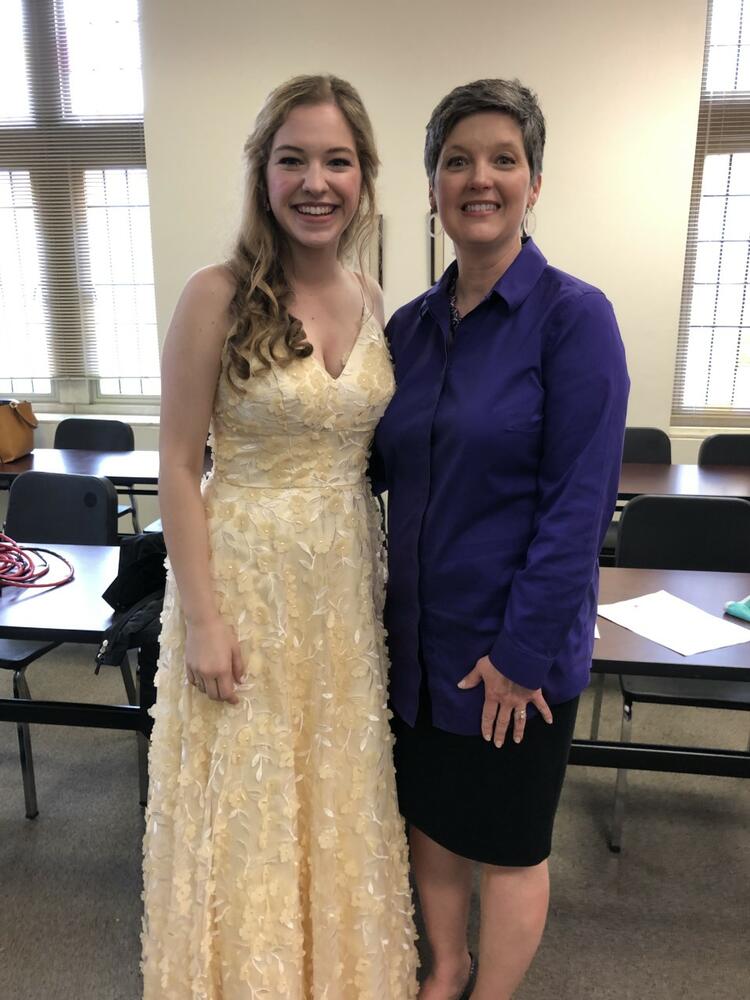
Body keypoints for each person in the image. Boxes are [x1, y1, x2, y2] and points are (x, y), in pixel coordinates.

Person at [141, 74, 418, 1000]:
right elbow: (179, 466)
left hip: (341, 592)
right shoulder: (215, 295)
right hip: (244, 584)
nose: (315, 181)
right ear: (263, 174)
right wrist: (205, 622)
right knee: (252, 810)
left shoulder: (374, 296)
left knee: (331, 801)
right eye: (292, 158)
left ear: (364, 176)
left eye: (336, 160)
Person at [372, 79, 629, 1000]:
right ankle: (447, 969)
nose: (480, 178)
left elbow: (579, 505)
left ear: (535, 180)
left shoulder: (573, 318)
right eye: (456, 160)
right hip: (418, 641)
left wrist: (521, 657)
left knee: (511, 843)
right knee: (433, 821)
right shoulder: (407, 328)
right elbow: (365, 466)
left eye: (503, 159)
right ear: (433, 183)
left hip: (513, 649)